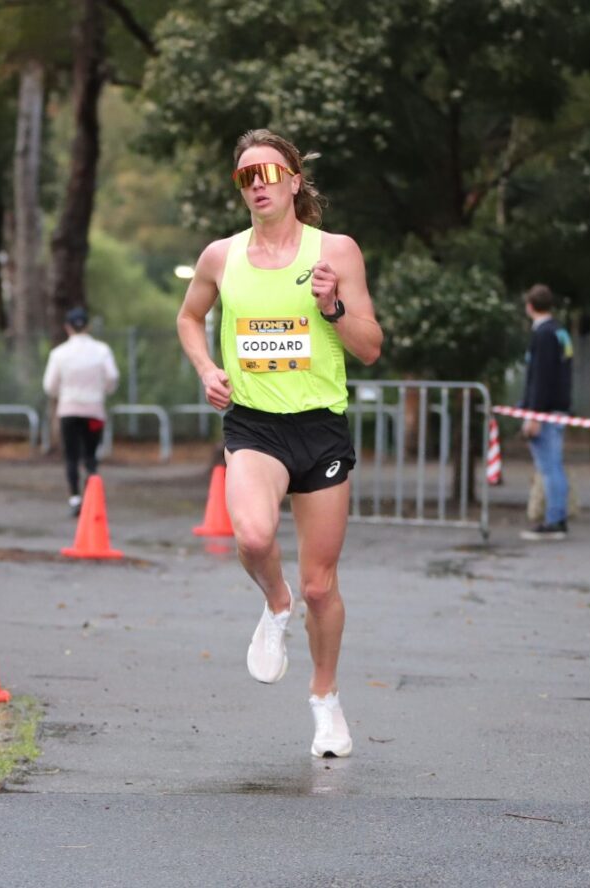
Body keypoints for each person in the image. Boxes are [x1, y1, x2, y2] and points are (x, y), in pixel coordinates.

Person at [176, 129, 382, 758]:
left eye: (269, 172)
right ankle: (274, 602)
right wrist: (207, 369)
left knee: (323, 585)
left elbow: (370, 348)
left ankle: (326, 701)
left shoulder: (336, 252)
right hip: (254, 424)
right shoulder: (221, 257)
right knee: (255, 538)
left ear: (295, 181)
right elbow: (189, 318)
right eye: (246, 176)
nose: (258, 183)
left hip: (319, 427)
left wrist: (332, 307)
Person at [43, 307, 119, 516]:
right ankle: (92, 494)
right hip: (94, 410)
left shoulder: (59, 353)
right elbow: (112, 377)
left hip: (68, 409)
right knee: (91, 455)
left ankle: (75, 498)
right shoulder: (102, 350)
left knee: (71, 455)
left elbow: (50, 385)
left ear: (67, 327)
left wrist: (64, 393)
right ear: (88, 326)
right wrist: (102, 391)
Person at [517, 284, 573, 541]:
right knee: (554, 466)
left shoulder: (543, 335)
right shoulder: (560, 332)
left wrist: (533, 415)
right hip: (559, 407)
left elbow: (540, 377)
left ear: (530, 306)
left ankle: (555, 520)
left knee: (549, 467)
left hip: (546, 411)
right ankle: (557, 516)